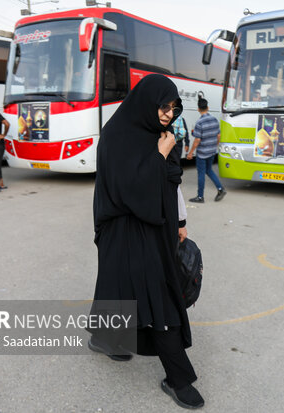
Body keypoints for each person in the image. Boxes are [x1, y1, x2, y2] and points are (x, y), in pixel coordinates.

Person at [89, 74, 204, 409]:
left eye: (173, 107)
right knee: (159, 296)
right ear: (145, 101)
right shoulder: (117, 135)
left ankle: (103, 338)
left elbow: (171, 183)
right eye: (163, 106)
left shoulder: (160, 136)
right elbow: (129, 190)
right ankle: (179, 378)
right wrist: (159, 155)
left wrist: (180, 220)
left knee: (117, 287)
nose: (168, 114)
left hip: (155, 226)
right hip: (123, 227)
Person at [186, 98, 226, 203]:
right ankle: (220, 189)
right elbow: (218, 135)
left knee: (201, 174)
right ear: (207, 107)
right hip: (212, 151)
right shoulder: (214, 120)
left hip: (202, 153)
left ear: (198, 109)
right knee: (209, 170)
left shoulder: (199, 122)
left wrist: (190, 152)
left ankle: (200, 197)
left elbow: (197, 140)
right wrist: (215, 146)